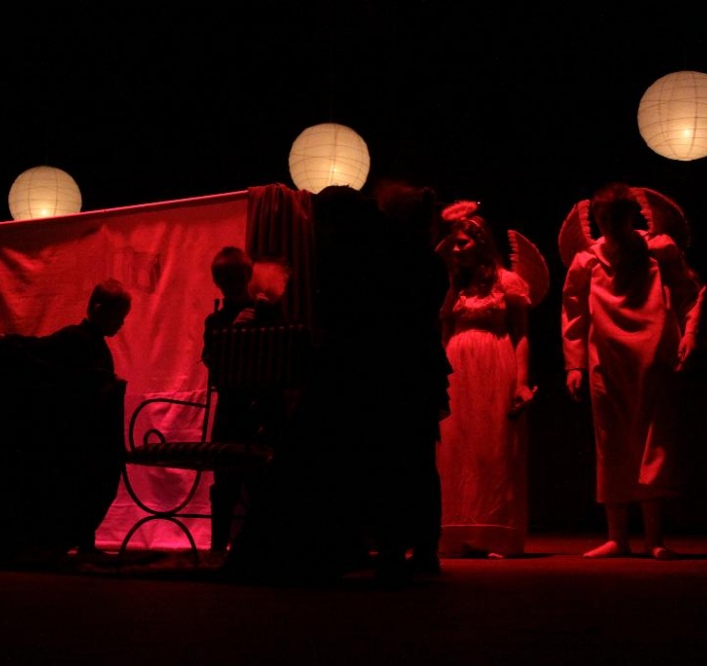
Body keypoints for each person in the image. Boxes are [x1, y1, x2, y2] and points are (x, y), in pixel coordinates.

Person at [222, 180, 451, 587]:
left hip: (388, 368)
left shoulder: (376, 260)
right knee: (415, 458)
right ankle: (417, 548)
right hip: (415, 367)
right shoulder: (424, 262)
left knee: (394, 459)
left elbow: (354, 313)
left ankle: (394, 548)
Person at [561, 182, 705, 560]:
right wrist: (574, 363)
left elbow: (690, 291)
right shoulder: (587, 259)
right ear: (597, 219)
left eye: (617, 217)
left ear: (631, 216)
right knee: (611, 442)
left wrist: (690, 332)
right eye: (603, 218)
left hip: (654, 353)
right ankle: (617, 537)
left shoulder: (658, 248)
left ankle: (654, 537)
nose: (610, 224)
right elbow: (573, 312)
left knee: (652, 441)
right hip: (606, 359)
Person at [0, 278, 133, 570]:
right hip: (70, 440)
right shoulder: (73, 339)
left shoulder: (92, 345)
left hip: (82, 438)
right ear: (99, 309)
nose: (120, 325)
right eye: (118, 317)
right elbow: (45, 370)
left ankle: (79, 540)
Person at [433, 202, 538, 559]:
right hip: (458, 367)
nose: (456, 249)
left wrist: (521, 381)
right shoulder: (454, 288)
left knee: (494, 446)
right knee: (458, 445)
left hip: (495, 363)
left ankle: (495, 532)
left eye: (462, 242)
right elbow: (445, 334)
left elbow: (522, 335)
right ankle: (461, 530)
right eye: (454, 244)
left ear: (480, 242)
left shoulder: (507, 283)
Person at [201, 247, 289, 555]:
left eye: (238, 276)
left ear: (248, 276)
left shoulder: (268, 312)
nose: (234, 282)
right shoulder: (215, 322)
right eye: (227, 277)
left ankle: (261, 549)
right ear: (219, 281)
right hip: (234, 410)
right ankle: (218, 549)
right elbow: (214, 367)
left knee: (264, 483)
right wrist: (232, 334)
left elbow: (284, 359)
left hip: (263, 410)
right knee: (226, 482)